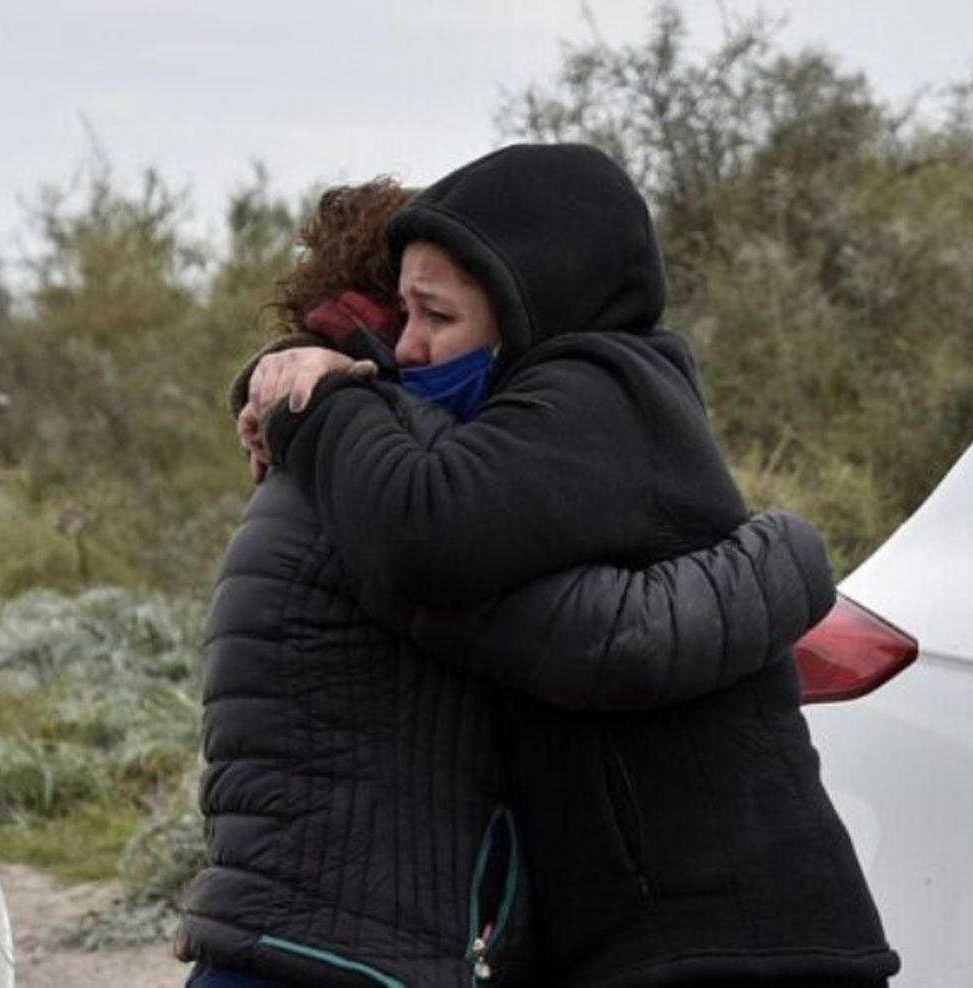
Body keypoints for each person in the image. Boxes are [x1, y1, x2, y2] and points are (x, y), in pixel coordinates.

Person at [247, 144, 900, 986]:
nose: (407, 349)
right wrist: (281, 375)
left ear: (526, 306)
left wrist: (321, 405)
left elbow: (421, 533)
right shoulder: (547, 415)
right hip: (666, 939)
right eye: (400, 318)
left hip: (734, 938)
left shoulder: (601, 393)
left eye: (435, 317)